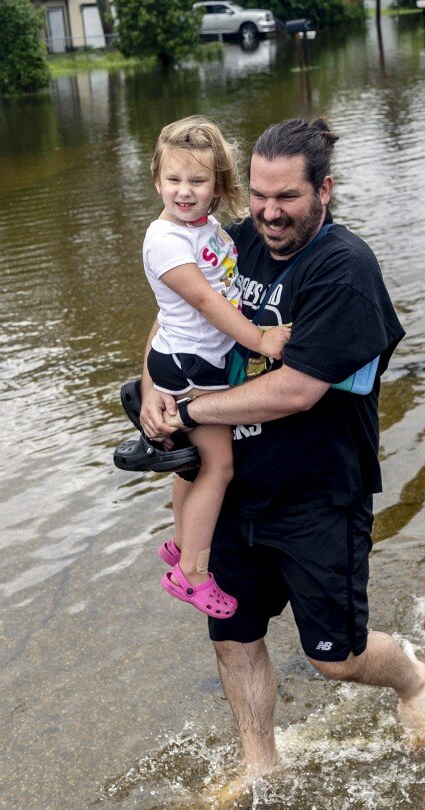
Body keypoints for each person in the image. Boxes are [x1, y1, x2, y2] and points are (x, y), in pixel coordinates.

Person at [140, 117, 425, 776]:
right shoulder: (233, 240)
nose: (268, 213)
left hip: (317, 495)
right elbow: (177, 313)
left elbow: (296, 391)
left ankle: (412, 678)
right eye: (258, 195)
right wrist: (150, 390)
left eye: (287, 197)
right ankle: (262, 767)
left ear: (324, 191)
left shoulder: (345, 270)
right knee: (234, 636)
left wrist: (188, 409)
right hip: (234, 488)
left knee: (336, 658)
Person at [139, 116, 293, 619]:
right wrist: (262, 340)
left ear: (218, 185)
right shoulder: (166, 239)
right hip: (189, 366)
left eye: (197, 180)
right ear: (157, 181)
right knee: (218, 466)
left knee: (191, 462)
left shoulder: (203, 227)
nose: (184, 191)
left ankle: (181, 539)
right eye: (173, 179)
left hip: (192, 359)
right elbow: (206, 302)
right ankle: (192, 572)